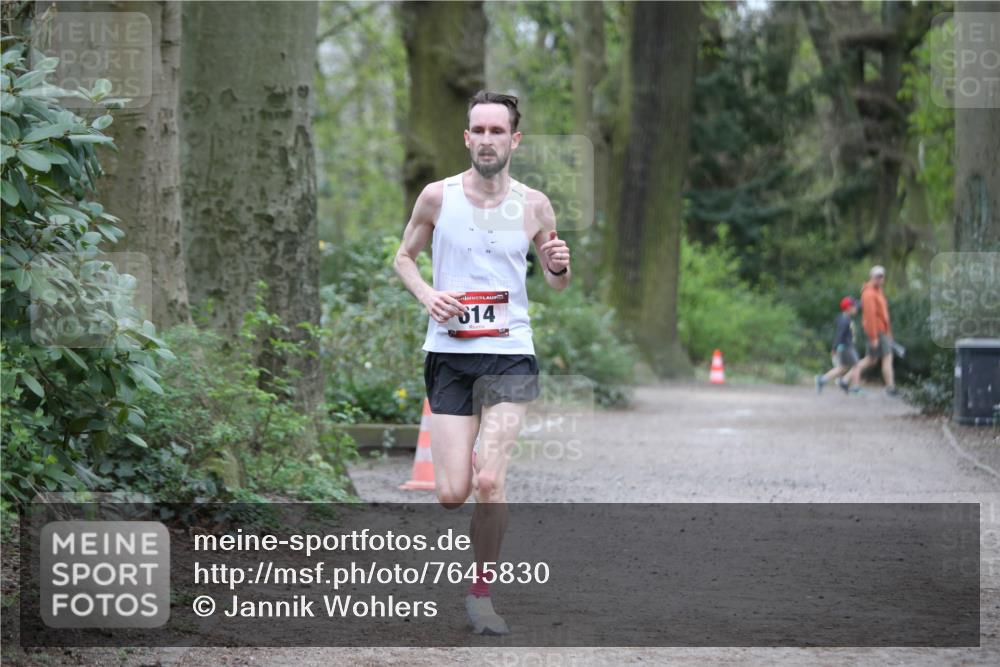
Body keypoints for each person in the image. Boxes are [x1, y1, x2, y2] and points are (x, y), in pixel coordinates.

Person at [393, 91, 571, 635]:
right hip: (449, 355)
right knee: (452, 494)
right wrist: (427, 295)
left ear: (513, 140)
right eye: (480, 130)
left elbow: (557, 282)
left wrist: (559, 265)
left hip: (511, 353)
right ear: (467, 138)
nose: (488, 139)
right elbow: (403, 258)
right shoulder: (436, 197)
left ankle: (481, 593)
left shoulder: (535, 204)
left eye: (499, 131)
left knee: (489, 479)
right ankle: (470, 472)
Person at [855, 265, 898, 396]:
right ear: (871, 277)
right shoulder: (869, 293)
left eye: (882, 276)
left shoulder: (878, 292)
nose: (880, 279)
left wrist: (889, 332)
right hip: (876, 331)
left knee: (871, 360)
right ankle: (890, 387)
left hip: (882, 331)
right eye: (877, 276)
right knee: (887, 358)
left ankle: (845, 380)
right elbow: (870, 316)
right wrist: (873, 336)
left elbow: (884, 315)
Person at [816, 296, 862, 394]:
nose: (857, 308)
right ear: (849, 308)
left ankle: (821, 380)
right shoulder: (844, 320)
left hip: (847, 346)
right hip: (847, 346)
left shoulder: (846, 319)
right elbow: (839, 335)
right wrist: (834, 348)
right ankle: (856, 387)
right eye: (854, 306)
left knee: (843, 368)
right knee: (857, 365)